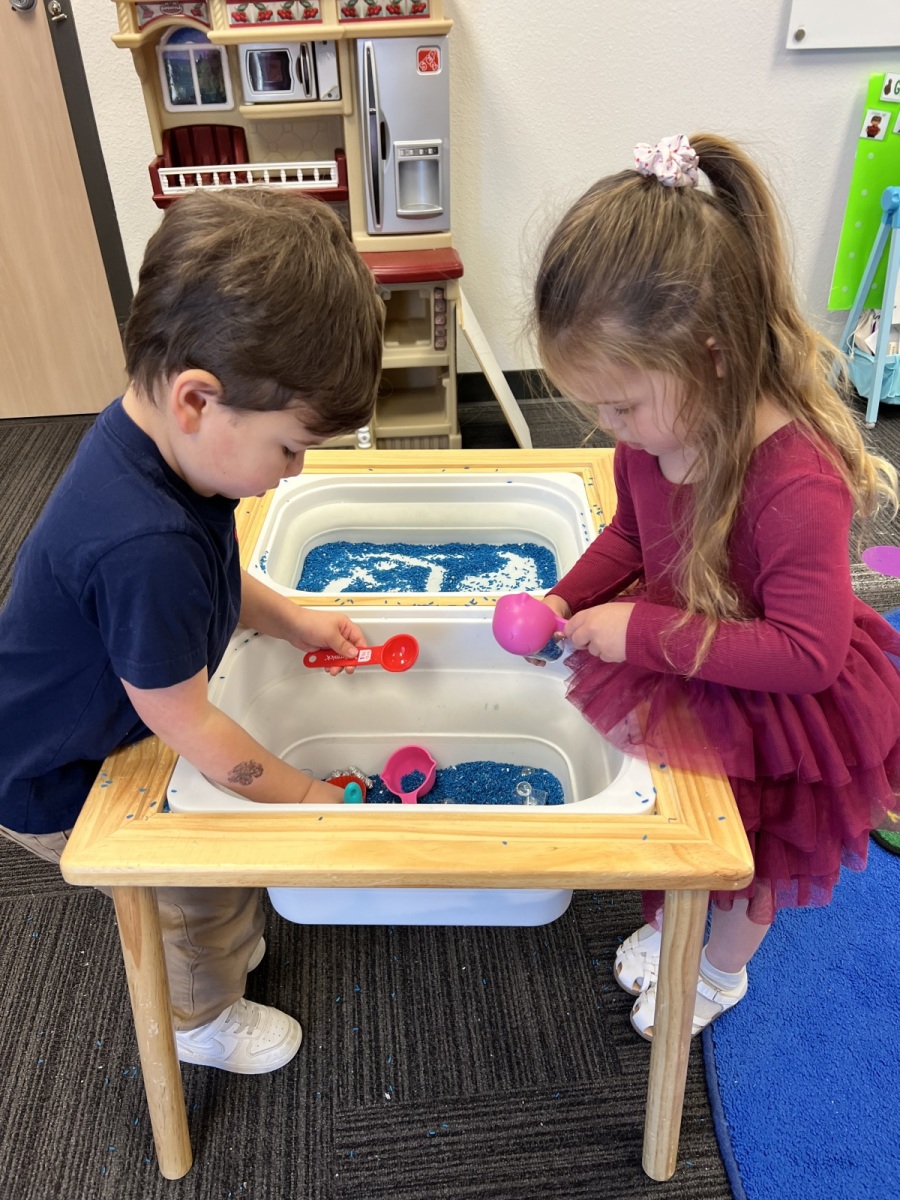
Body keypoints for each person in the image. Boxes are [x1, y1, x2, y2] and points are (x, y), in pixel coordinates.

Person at [0, 188, 385, 1073]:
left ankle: (211, 965)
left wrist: (292, 618)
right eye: (289, 447)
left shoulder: (171, 455)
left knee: (220, 842)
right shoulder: (145, 543)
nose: (295, 472)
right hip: (58, 770)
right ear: (197, 399)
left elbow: (216, 573)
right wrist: (304, 798)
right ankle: (199, 1020)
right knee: (198, 883)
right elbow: (190, 722)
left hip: (115, 703)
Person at [530, 133, 900, 1040]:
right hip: (696, 661)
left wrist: (639, 633)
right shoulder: (654, 436)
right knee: (684, 816)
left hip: (785, 705)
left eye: (621, 405)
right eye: (598, 405)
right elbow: (629, 533)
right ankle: (676, 927)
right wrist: (565, 599)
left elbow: (807, 655)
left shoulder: (796, 482)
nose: (609, 426)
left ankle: (719, 974)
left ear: (714, 355)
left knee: (750, 859)